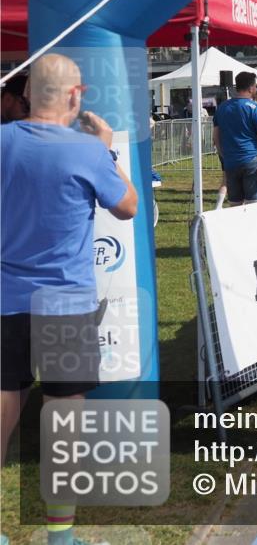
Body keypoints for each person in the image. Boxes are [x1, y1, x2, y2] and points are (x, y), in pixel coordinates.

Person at [2, 54, 138, 545]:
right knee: (64, 418)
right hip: (66, 302)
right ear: (75, 95)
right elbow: (128, 207)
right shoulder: (87, 151)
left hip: (7, 300)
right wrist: (107, 152)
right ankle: (60, 534)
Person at [212, 71, 257, 205]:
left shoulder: (222, 107)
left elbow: (216, 137)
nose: (256, 89)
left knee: (235, 205)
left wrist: (223, 155)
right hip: (251, 160)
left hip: (231, 161)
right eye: (256, 86)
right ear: (251, 88)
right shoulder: (255, 108)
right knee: (254, 205)